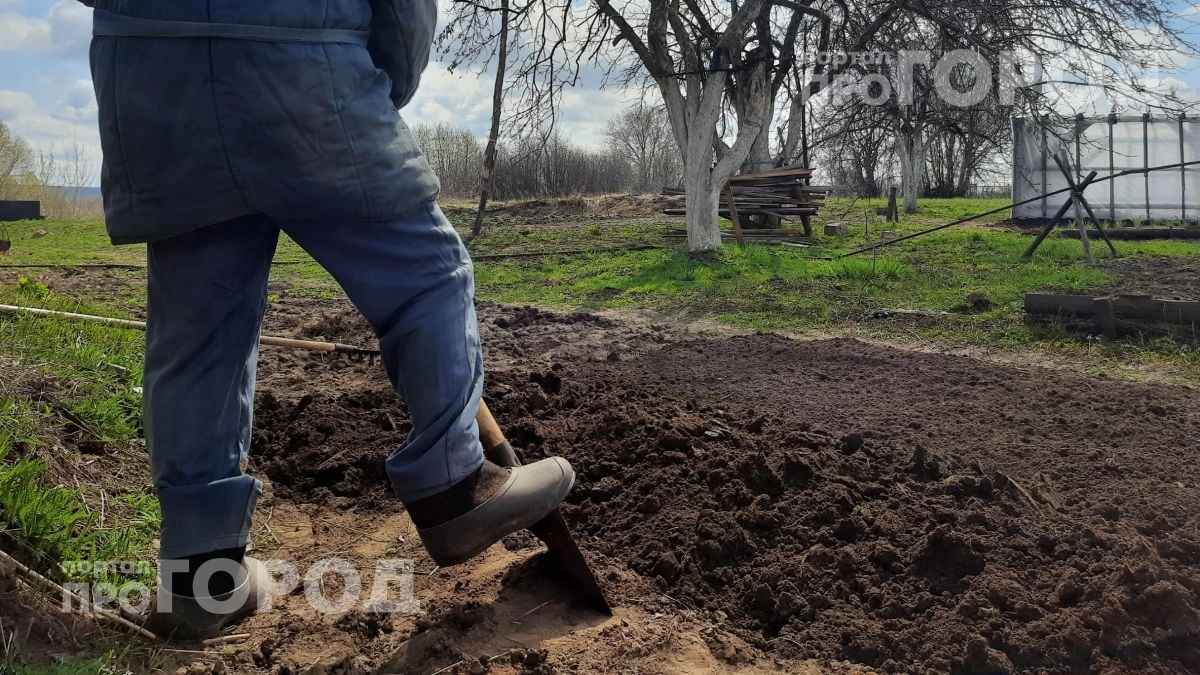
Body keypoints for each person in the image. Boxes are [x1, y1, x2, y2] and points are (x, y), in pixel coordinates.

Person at [85, 0, 575, 640]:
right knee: (426, 276)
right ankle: (456, 487)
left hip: (152, 86)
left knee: (198, 335)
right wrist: (377, 80)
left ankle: (200, 574)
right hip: (304, 72)